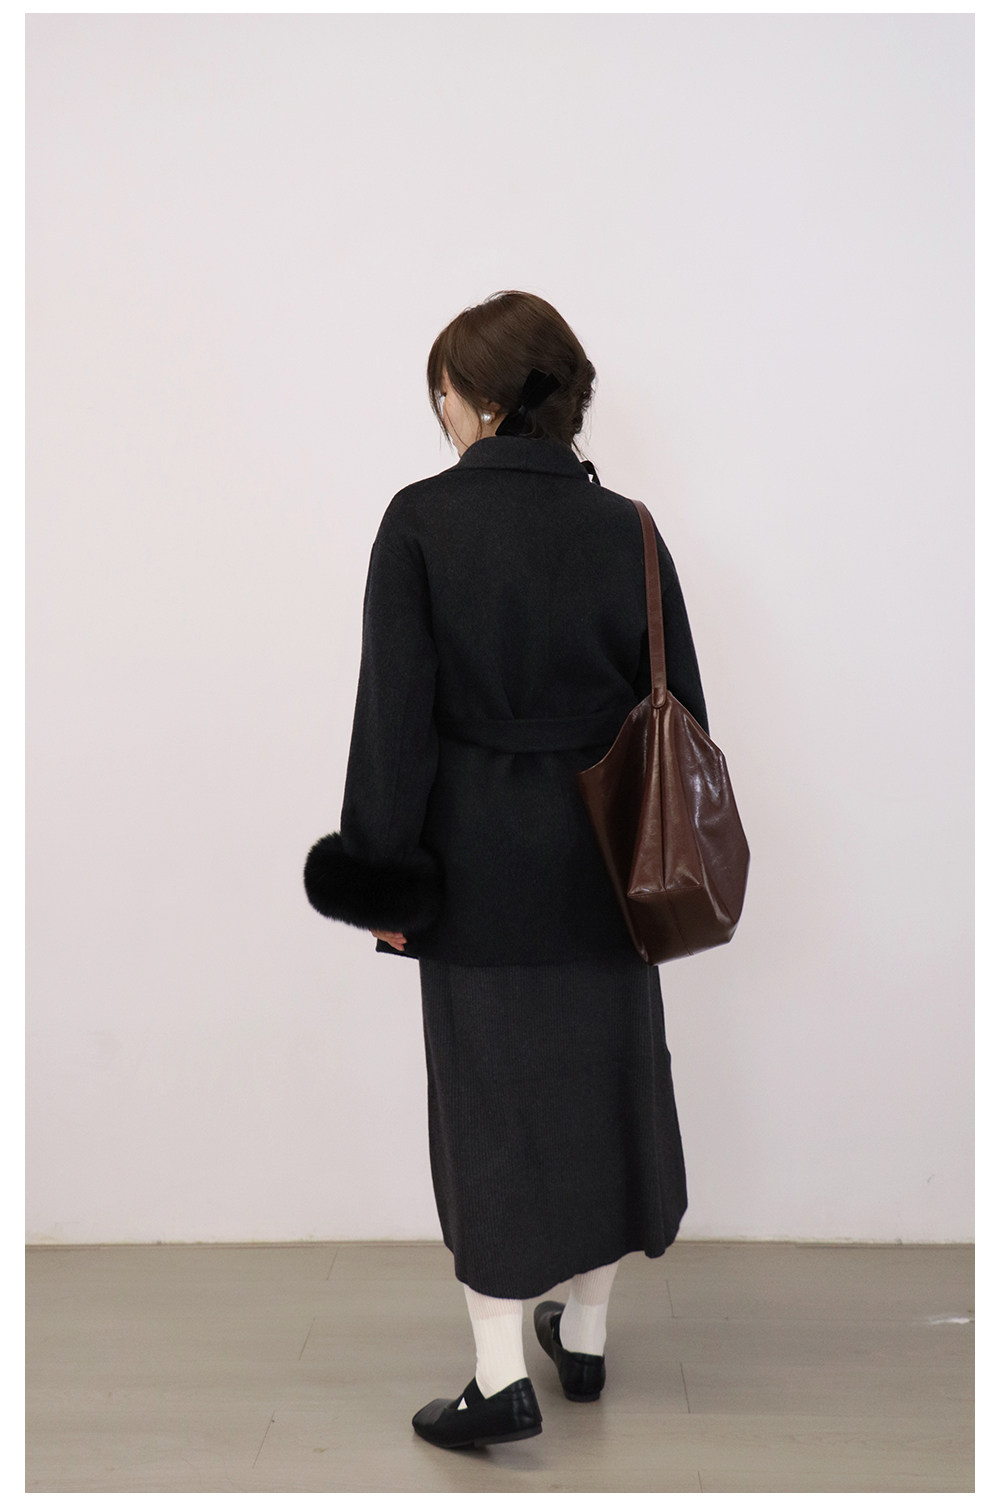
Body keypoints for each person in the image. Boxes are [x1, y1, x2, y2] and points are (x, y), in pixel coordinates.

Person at [303, 290, 710, 1451]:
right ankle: (583, 1334)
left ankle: (497, 1381)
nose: (436, 408)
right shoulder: (629, 528)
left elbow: (393, 722)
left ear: (475, 397)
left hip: (476, 862)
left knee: (490, 1108)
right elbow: (681, 708)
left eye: (440, 387)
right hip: (608, 863)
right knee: (606, 1088)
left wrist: (384, 875)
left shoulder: (421, 521)